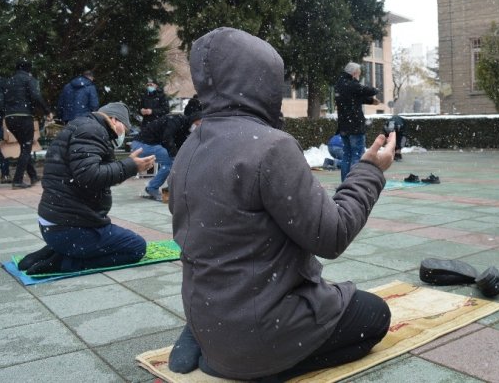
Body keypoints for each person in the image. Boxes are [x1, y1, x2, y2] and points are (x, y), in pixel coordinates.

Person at [166, 27, 396, 380]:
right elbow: (332, 235)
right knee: (374, 314)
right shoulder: (269, 146)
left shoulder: (189, 147)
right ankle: (262, 363)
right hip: (261, 327)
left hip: (210, 310)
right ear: (263, 81)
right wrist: (369, 171)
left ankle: (208, 338)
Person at [16, 102, 157, 274]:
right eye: (124, 130)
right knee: (135, 247)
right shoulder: (92, 130)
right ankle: (64, 263)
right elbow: (89, 175)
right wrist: (129, 166)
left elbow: (92, 175)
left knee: (108, 239)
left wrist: (127, 166)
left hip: (58, 224)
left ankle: (52, 251)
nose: (123, 135)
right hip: (69, 228)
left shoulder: (82, 126)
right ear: (114, 120)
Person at [130, 100, 202, 201]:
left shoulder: (185, 128)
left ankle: (167, 190)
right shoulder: (177, 120)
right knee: (171, 163)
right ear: (194, 120)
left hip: (148, 144)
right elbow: (167, 138)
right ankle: (153, 188)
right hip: (142, 144)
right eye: (198, 124)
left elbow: (180, 145)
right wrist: (174, 156)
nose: (198, 127)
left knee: (174, 162)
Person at [0, 60, 53, 189]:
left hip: (10, 118)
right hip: (23, 116)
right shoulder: (29, 79)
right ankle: (17, 180)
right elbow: (36, 96)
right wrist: (47, 111)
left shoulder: (9, 81)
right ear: (28, 69)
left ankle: (33, 176)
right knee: (26, 148)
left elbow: (1, 101)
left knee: (24, 146)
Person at [334, 62, 380, 181]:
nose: (359, 76)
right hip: (355, 126)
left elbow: (355, 98)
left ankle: (345, 181)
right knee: (357, 154)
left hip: (343, 126)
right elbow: (364, 90)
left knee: (347, 155)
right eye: (358, 74)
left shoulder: (340, 84)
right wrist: (376, 90)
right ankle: (355, 182)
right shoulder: (351, 84)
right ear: (354, 73)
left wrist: (370, 101)